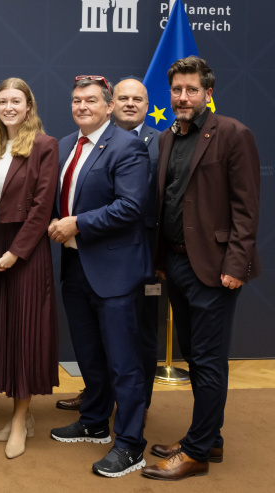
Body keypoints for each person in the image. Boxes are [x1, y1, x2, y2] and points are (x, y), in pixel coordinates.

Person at [142, 57, 260, 481]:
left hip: (216, 268)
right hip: (175, 264)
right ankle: (209, 437)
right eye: (176, 90)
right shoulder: (167, 139)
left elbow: (247, 209)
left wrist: (237, 264)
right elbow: (167, 201)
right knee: (195, 356)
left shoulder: (232, 134)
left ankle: (195, 453)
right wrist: (160, 261)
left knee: (208, 361)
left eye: (191, 90)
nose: (182, 98)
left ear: (207, 92)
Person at [48, 75, 150, 478]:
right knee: (89, 354)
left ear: (109, 107)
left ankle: (129, 444)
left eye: (91, 100)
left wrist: (76, 223)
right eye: (76, 100)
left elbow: (130, 207)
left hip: (114, 271)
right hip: (75, 268)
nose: (82, 106)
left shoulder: (128, 147)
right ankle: (93, 421)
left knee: (124, 363)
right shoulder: (64, 145)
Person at [0, 78, 59, 459]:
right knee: (8, 334)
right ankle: (21, 418)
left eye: (17, 100)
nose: (9, 107)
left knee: (26, 336)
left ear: (29, 105)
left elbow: (43, 208)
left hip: (27, 253)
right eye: (3, 101)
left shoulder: (45, 145)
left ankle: (19, 423)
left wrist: (15, 252)